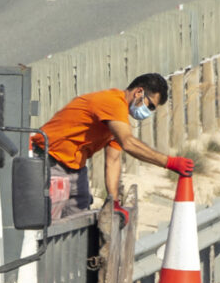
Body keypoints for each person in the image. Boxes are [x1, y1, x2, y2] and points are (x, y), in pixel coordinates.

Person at [39, 73, 192, 210]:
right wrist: (169, 162)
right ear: (139, 92)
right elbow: (128, 143)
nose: (149, 111)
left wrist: (114, 201)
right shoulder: (113, 102)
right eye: (150, 105)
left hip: (75, 169)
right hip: (50, 160)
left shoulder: (119, 121)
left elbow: (113, 161)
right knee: (48, 226)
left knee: (79, 221)